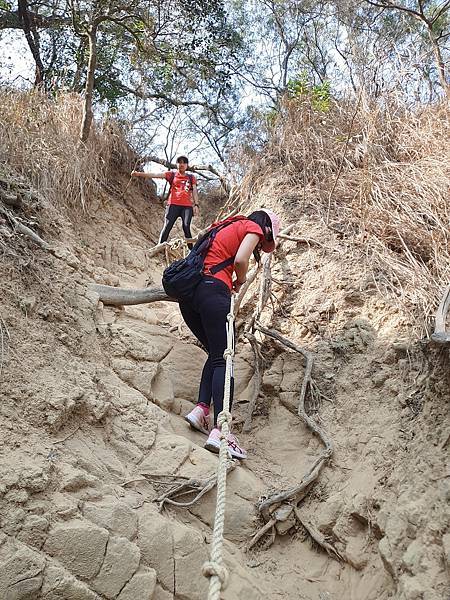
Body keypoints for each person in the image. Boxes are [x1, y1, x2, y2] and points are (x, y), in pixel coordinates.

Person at [182, 209, 280, 459]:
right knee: (225, 359)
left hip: (189, 295)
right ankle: (221, 431)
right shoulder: (254, 228)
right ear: (266, 229)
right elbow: (239, 260)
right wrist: (240, 279)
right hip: (214, 291)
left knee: (216, 355)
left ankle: (200, 410)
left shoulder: (223, 225)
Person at [131, 156, 199, 247]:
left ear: (187, 165)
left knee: (186, 226)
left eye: (184, 163)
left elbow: (194, 191)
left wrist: (196, 205)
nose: (181, 164)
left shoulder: (191, 177)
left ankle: (192, 251)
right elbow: (155, 174)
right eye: (179, 162)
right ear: (177, 164)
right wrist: (139, 174)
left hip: (187, 206)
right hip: (173, 204)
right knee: (167, 226)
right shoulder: (172, 175)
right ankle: (159, 247)